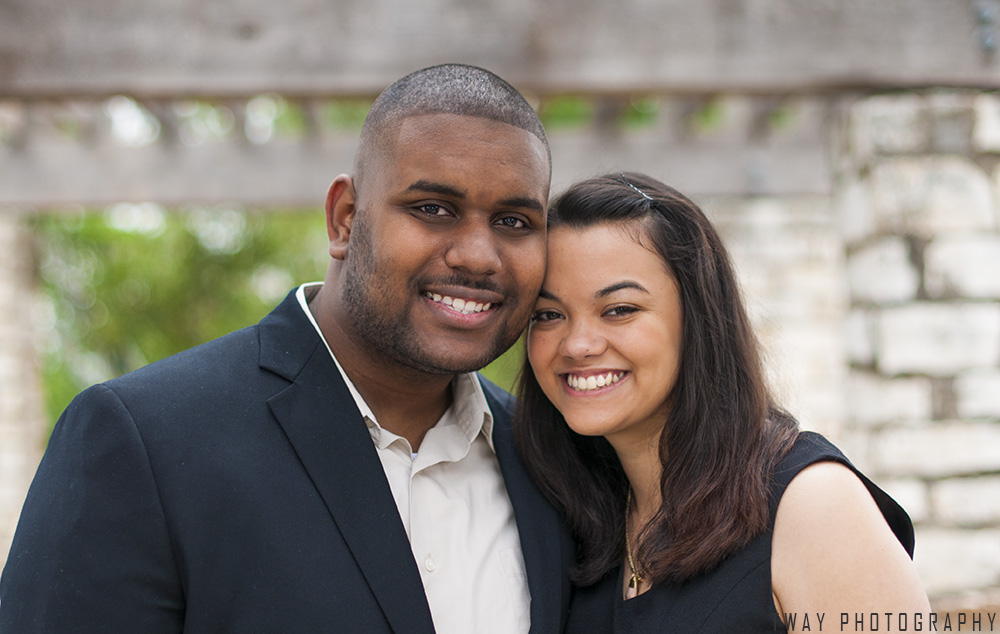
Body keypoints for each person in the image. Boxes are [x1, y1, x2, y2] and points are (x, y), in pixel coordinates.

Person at [0, 64, 574, 634]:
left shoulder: (553, 459)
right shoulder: (142, 440)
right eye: (432, 209)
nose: (478, 255)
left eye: (514, 221)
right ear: (345, 218)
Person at [513, 172, 931, 632]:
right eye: (548, 315)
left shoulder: (809, 502)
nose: (577, 344)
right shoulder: (576, 522)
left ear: (698, 318)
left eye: (619, 310)